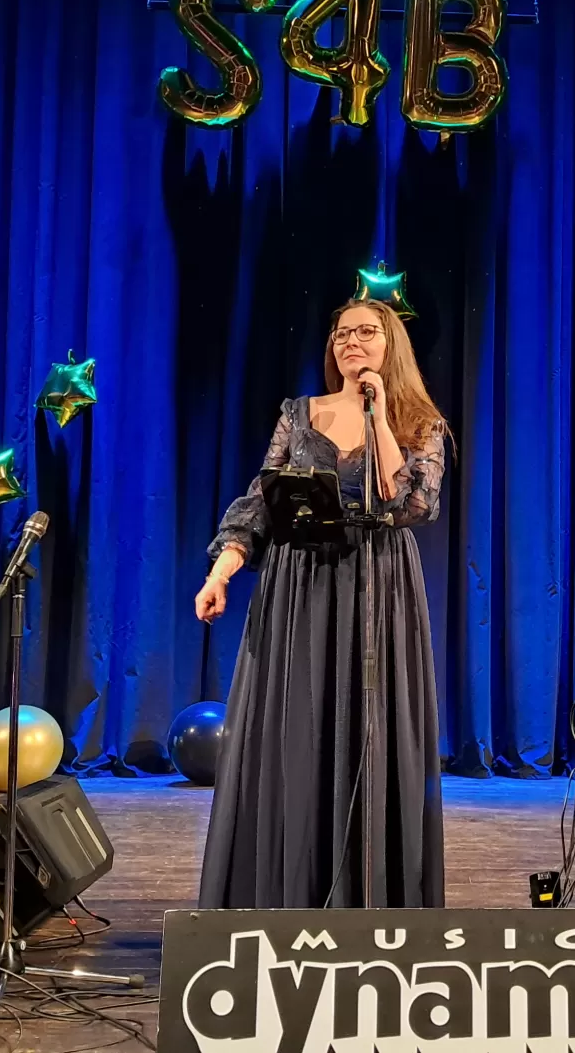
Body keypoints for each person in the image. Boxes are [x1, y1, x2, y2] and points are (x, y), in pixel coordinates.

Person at [193, 301, 448, 909]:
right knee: (299, 730)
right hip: (299, 584)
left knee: (371, 730)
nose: (349, 342)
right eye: (340, 334)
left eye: (365, 332)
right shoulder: (299, 414)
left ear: (391, 344)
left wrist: (377, 413)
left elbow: (409, 504)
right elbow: (260, 502)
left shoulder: (420, 422)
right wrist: (221, 570)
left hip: (377, 586)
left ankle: (372, 896)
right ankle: (293, 889)